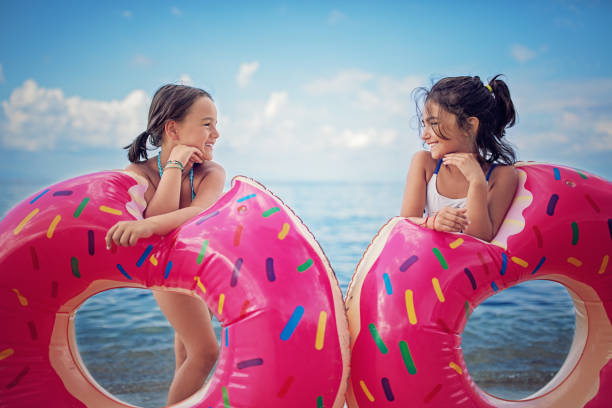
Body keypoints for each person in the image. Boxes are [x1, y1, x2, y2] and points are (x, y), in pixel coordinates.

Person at [104, 84, 225, 405]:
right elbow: (159, 220)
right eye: (206, 124)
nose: (216, 133)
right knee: (206, 352)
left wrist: (147, 223)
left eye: (215, 124)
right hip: (166, 270)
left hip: (200, 268)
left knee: (188, 352)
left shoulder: (210, 172)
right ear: (173, 128)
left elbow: (197, 213)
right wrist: (174, 166)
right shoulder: (139, 173)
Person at [400, 75, 518, 242]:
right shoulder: (425, 163)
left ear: (469, 126)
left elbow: (480, 239)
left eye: (433, 124)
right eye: (424, 124)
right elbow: (403, 225)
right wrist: (432, 222)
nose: (424, 135)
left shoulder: (502, 175)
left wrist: (477, 182)